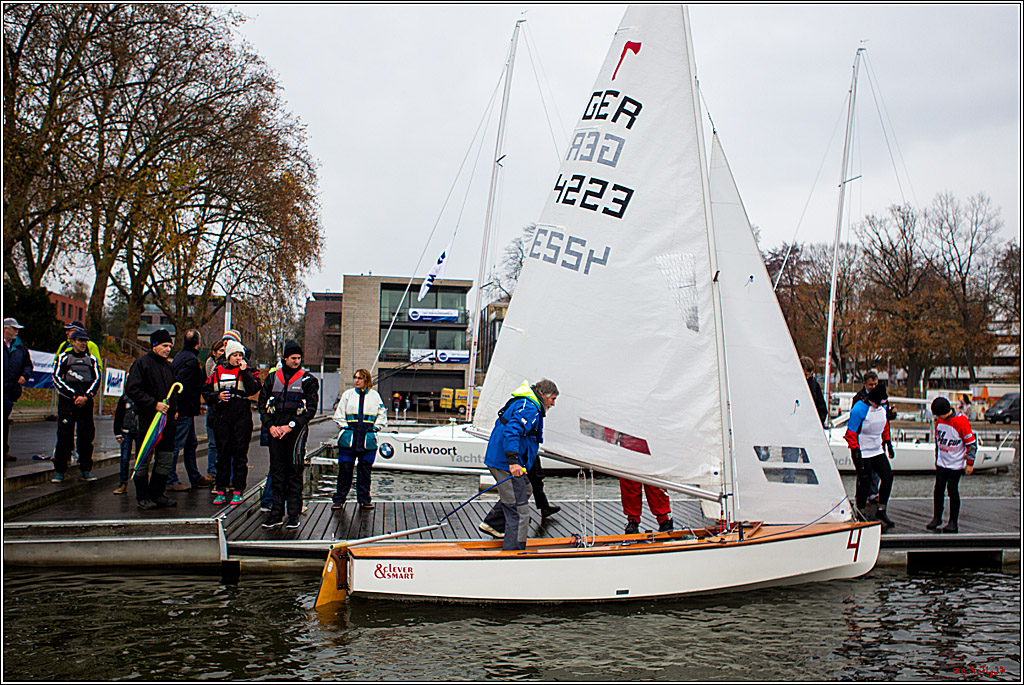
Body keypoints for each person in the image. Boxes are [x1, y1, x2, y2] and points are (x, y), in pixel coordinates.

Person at [478, 379, 558, 551]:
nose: (553, 403)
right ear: (544, 395)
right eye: (553, 399)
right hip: (505, 463)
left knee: (526, 490)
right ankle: (514, 551)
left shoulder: (525, 402)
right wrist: (513, 462)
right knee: (519, 510)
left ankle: (493, 524)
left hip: (502, 460)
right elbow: (512, 431)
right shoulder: (530, 408)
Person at [258, 340, 319, 529]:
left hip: (296, 431)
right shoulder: (271, 378)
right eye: (293, 358)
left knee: (294, 471)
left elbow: (310, 410)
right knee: (277, 472)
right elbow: (262, 405)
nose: (296, 361)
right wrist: (270, 426)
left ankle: (293, 514)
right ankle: (276, 514)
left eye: (299, 358)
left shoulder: (309, 380)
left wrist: (290, 425)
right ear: (285, 358)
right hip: (275, 430)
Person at [125, 329, 179, 510]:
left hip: (167, 420)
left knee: (165, 457)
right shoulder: (142, 364)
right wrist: (153, 404)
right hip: (148, 418)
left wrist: (175, 410)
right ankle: (142, 495)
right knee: (145, 456)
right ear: (154, 345)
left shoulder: (169, 366)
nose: (168, 349)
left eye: (170, 346)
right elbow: (132, 389)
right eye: (164, 345)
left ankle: (158, 493)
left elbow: (174, 390)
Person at [202, 339, 260, 506]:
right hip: (223, 414)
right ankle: (220, 488)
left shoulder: (249, 371)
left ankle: (238, 489)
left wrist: (245, 372)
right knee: (223, 453)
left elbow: (254, 389)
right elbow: (205, 390)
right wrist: (216, 396)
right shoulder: (217, 371)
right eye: (235, 355)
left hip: (241, 413)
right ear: (228, 356)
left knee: (240, 454)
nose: (238, 358)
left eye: (240, 355)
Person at [331, 368, 387, 512]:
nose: (357, 380)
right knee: (345, 470)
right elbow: (339, 415)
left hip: (367, 438)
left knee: (365, 472)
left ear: (366, 380)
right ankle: (339, 500)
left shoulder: (375, 396)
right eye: (355, 377)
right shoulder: (348, 395)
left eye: (360, 378)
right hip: (349, 438)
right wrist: (345, 427)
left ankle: (364, 499)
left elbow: (382, 415)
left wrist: (376, 428)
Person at [166, 329, 214, 491]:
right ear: (198, 343)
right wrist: (177, 407)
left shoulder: (180, 357)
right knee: (178, 443)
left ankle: (194, 476)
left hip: (185, 408)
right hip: (185, 408)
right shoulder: (191, 361)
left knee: (190, 443)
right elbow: (180, 385)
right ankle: (170, 479)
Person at [51, 329, 101, 482]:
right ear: (73, 342)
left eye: (85, 341)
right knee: (65, 435)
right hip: (68, 403)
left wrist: (87, 396)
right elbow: (57, 379)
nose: (83, 344)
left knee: (86, 436)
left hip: (86, 404)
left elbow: (97, 379)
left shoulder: (91, 359)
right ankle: (60, 470)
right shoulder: (63, 358)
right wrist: (73, 396)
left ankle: (86, 468)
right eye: (79, 340)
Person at [844, 384, 896, 528]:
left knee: (887, 477)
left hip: (877, 449)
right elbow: (851, 432)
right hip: (862, 450)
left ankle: (882, 509)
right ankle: (860, 510)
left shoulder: (882, 408)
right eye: (878, 403)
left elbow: (885, 426)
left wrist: (888, 444)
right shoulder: (859, 409)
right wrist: (855, 451)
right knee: (864, 481)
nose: (880, 406)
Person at [478, 456, 561, 537]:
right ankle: (493, 521)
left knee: (526, 488)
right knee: (521, 490)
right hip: (516, 459)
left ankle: (496, 521)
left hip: (518, 458)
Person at [927, 396, 976, 534]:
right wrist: (937, 458)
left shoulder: (960, 422)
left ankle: (953, 522)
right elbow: (938, 441)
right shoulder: (940, 421)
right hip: (942, 462)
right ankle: (937, 517)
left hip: (955, 463)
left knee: (952, 490)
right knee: (938, 489)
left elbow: (971, 444)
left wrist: (969, 463)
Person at [3, 318, 33, 462]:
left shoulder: (20, 347)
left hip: (10, 390)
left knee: (4, 421)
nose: (16, 332)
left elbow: (28, 364)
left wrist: (24, 376)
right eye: (14, 329)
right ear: (5, 329)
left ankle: (4, 450)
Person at [203, 338, 227, 481]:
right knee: (213, 443)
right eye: (220, 351)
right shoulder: (210, 367)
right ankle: (212, 471)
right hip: (213, 408)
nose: (223, 354)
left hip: (223, 409)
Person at [112, 394, 138, 494]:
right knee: (124, 458)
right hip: (126, 431)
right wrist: (118, 433)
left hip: (139, 431)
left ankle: (140, 483)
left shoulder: (144, 396)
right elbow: (118, 415)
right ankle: (123, 483)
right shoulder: (124, 398)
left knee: (141, 458)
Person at [801, 356, 828, 426]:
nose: (807, 377)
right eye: (806, 374)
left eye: (810, 375)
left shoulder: (814, 385)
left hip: (811, 423)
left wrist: (818, 422)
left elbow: (822, 407)